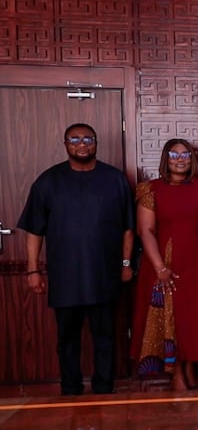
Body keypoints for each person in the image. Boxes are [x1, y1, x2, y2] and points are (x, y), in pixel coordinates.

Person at [17, 123, 134, 395]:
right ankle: (70, 389)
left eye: (88, 139)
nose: (82, 144)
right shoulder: (48, 181)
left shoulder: (114, 179)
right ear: (65, 143)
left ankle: (104, 388)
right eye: (75, 139)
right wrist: (32, 270)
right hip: (65, 276)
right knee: (67, 338)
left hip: (104, 275)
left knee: (105, 337)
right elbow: (34, 230)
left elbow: (128, 228)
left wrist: (126, 263)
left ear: (96, 143)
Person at [130, 138, 198, 391]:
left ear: (192, 158)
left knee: (194, 318)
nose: (180, 159)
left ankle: (189, 368)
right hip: (165, 262)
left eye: (185, 154)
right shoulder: (150, 189)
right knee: (171, 315)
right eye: (174, 155)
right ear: (166, 159)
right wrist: (160, 268)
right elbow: (146, 231)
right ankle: (175, 373)